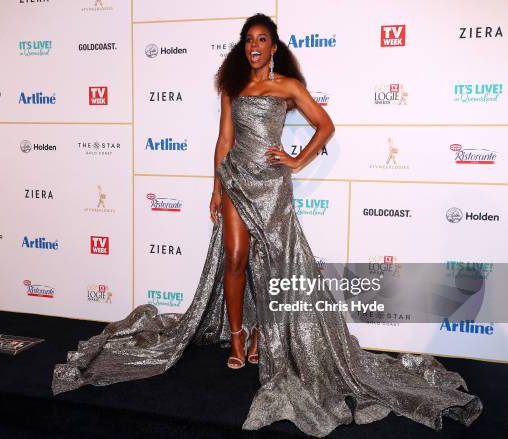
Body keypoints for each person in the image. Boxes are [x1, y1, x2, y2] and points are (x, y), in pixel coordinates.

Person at [52, 13, 482, 437]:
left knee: (276, 264)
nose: (255, 46)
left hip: (273, 187)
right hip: (238, 179)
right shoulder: (233, 86)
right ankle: (238, 337)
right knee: (236, 257)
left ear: (274, 47)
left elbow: (325, 125)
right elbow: (224, 140)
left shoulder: (288, 87)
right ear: (244, 47)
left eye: (262, 40)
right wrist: (217, 189)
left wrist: (296, 160)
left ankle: (263, 334)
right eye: (248, 40)